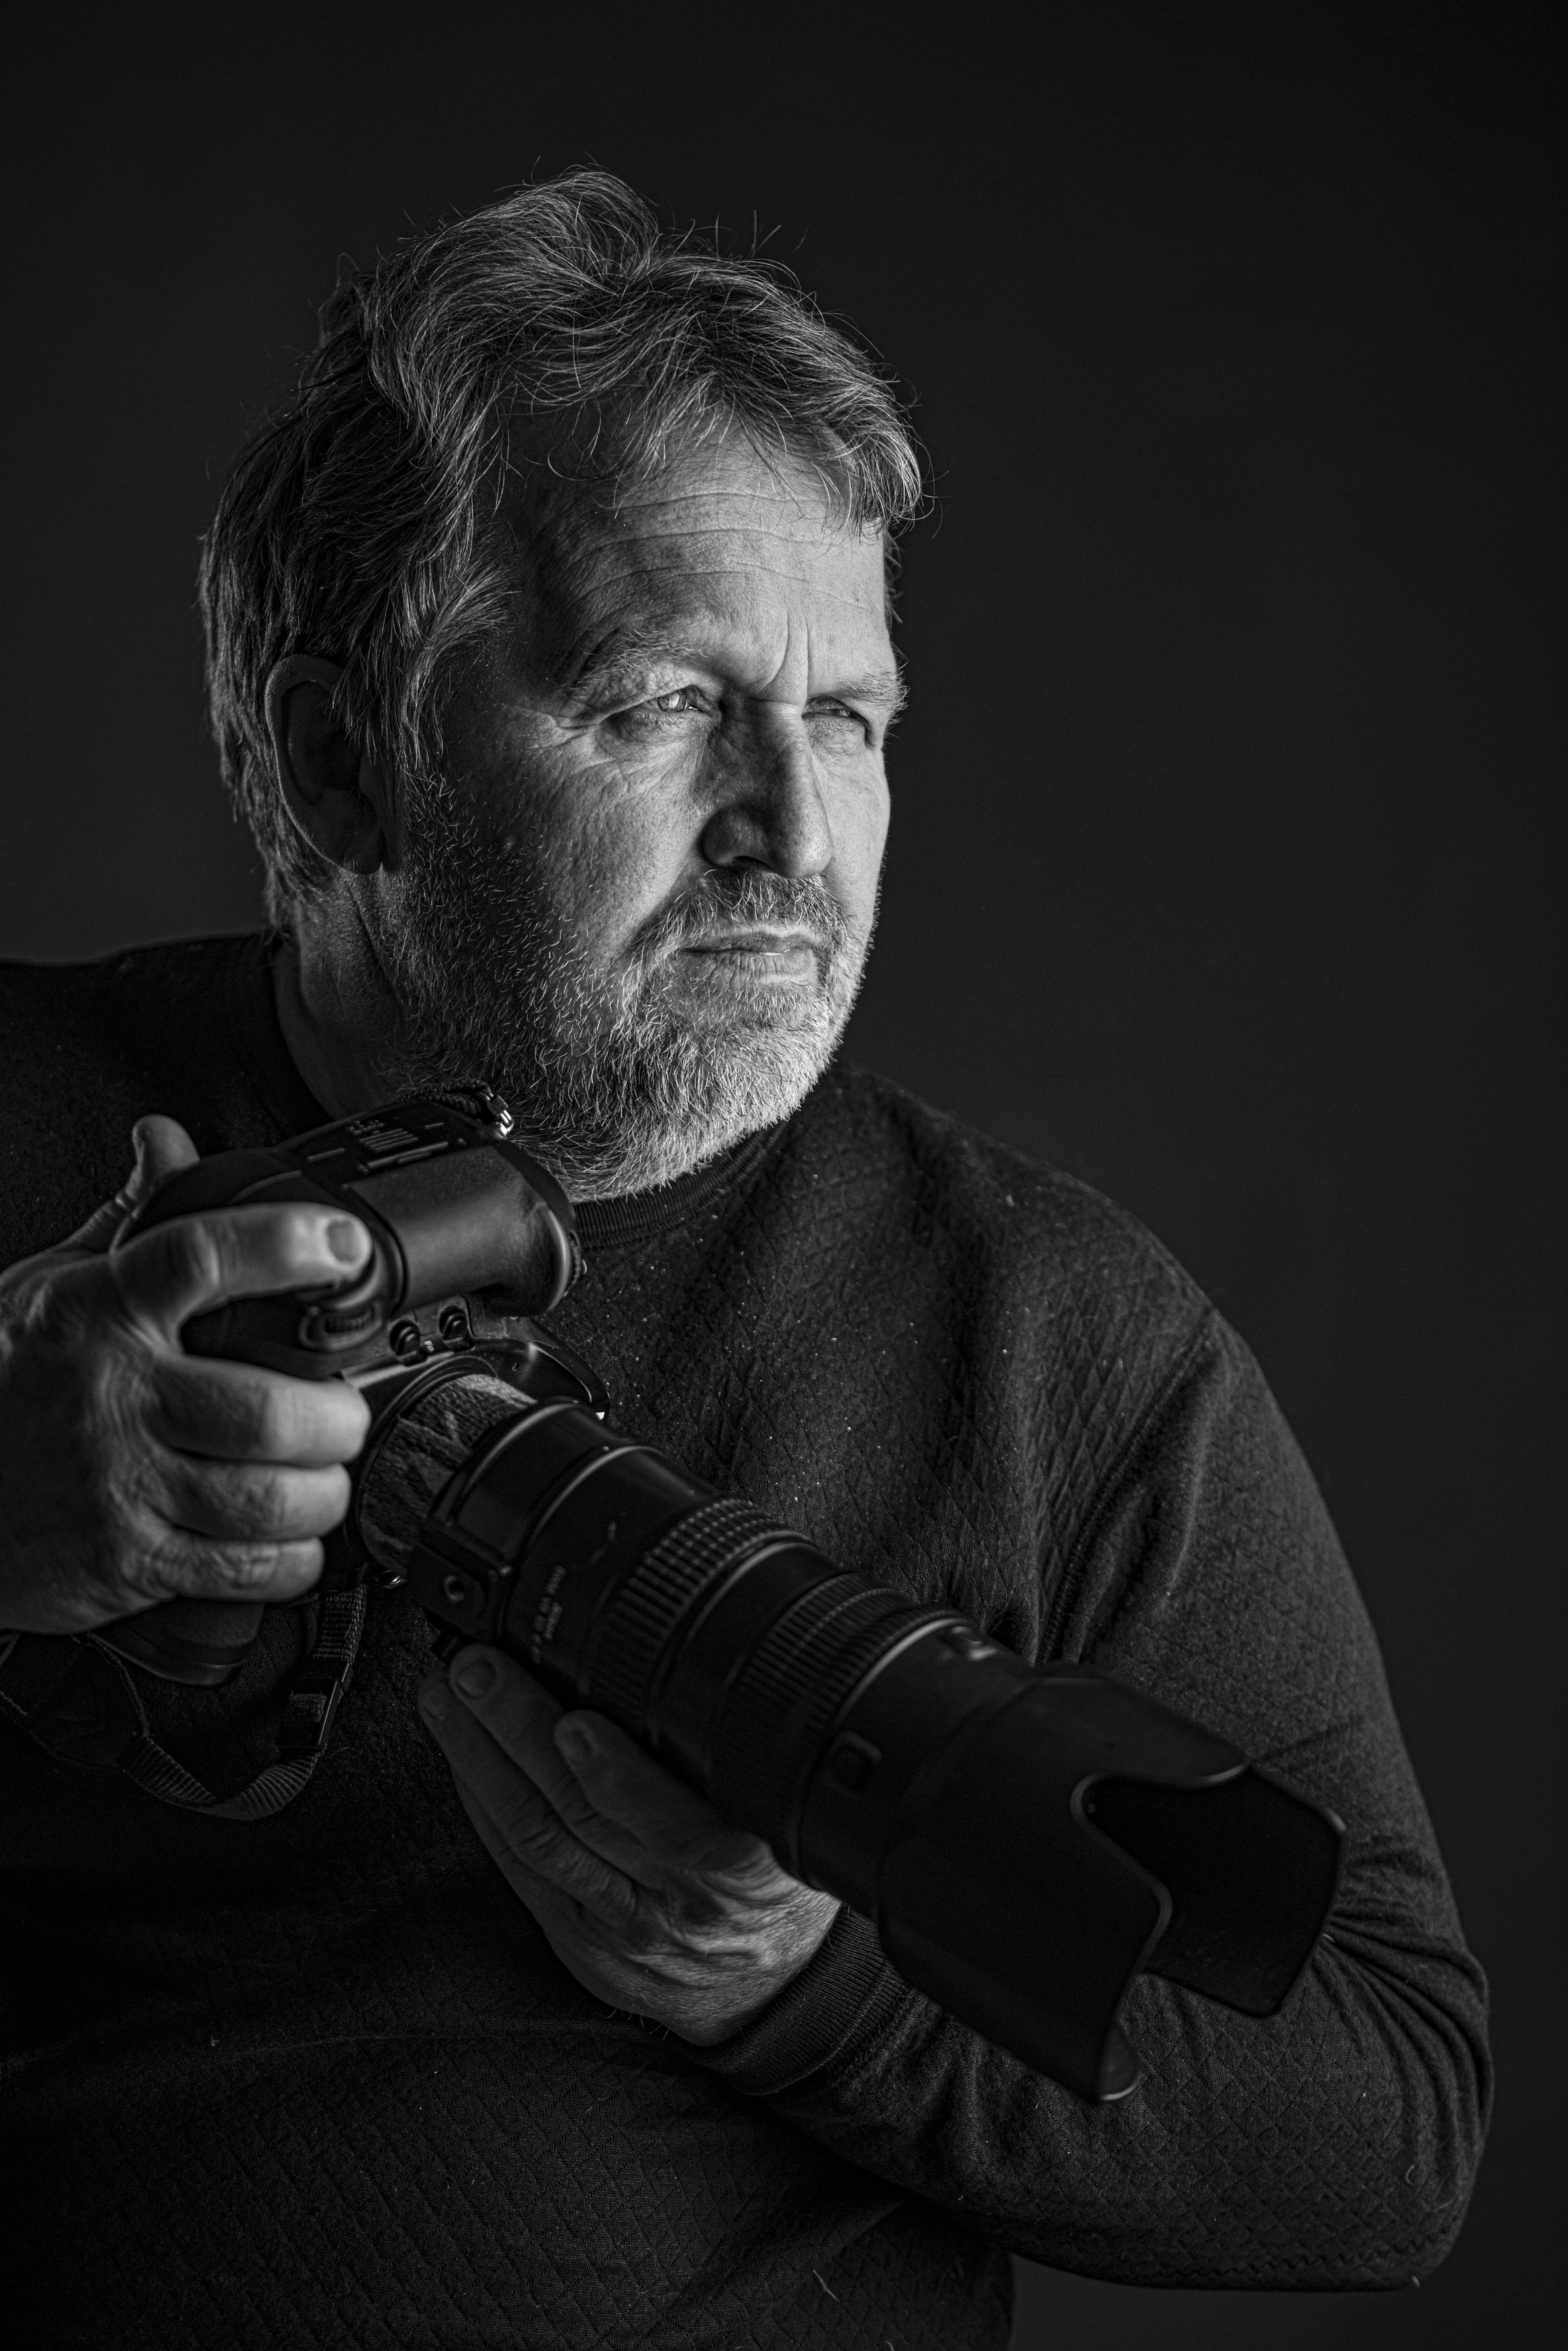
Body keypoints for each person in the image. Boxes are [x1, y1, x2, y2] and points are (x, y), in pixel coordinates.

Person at [0, 174, 1488, 2349]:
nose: (793, 833)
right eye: (663, 704)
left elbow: (1394, 2127)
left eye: (852, 721)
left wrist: (814, 1988)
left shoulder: (1049, 1329)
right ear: (340, 760)